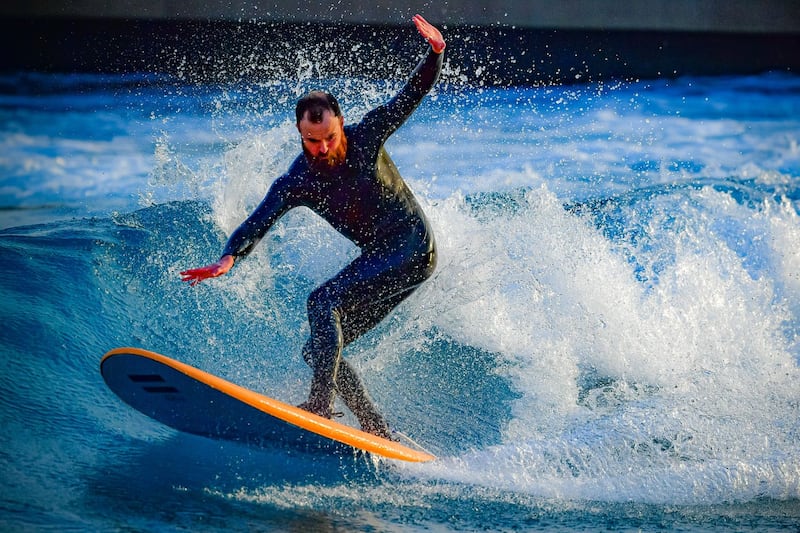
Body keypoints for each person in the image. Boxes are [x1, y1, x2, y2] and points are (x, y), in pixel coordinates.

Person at [180, 15, 446, 439]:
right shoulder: (298, 180)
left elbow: (410, 94)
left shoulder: (366, 136)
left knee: (323, 302)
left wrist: (435, 53)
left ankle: (320, 405)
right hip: (384, 258)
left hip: (414, 248)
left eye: (328, 137)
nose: (322, 148)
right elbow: (257, 221)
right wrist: (229, 257)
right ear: (301, 134)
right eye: (311, 140)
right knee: (320, 346)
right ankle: (375, 426)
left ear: (340, 125)